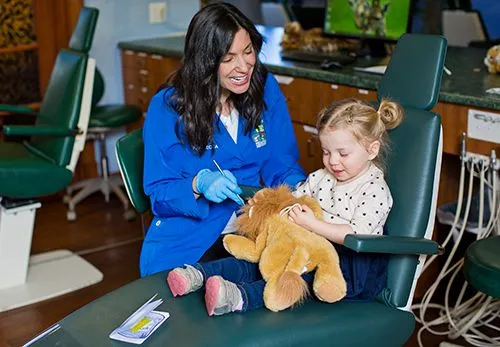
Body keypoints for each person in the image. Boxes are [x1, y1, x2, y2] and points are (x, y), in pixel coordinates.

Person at [166, 98, 404, 316]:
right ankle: (198, 275)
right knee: (261, 257)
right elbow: (293, 199)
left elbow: (357, 236)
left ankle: (239, 298)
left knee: (291, 271)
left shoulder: (374, 190)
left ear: (372, 149)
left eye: (343, 153)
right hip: (304, 242)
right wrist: (268, 203)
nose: (333, 161)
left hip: (347, 268)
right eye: (326, 152)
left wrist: (311, 224)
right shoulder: (323, 177)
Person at [141, 3, 306, 277]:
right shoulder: (169, 107)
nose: (243, 66)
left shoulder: (264, 89)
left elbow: (282, 163)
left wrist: (302, 195)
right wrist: (198, 185)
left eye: (248, 51)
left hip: (253, 226)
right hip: (191, 237)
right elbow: (160, 195)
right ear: (205, 61)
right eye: (228, 58)